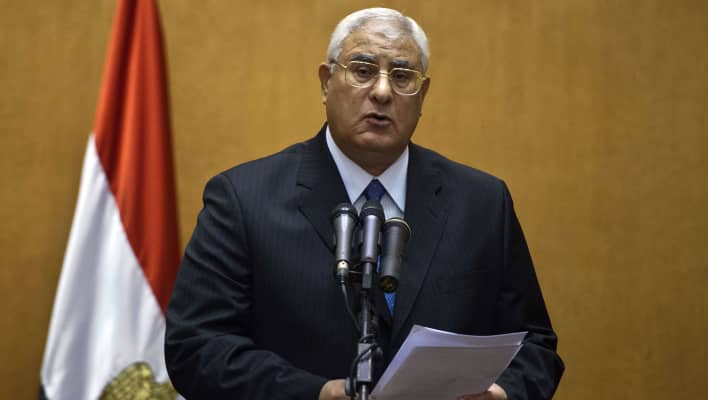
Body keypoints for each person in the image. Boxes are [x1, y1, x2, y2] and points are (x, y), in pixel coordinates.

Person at [165, 7, 564, 400]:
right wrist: (316, 394)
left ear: (422, 95)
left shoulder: (482, 204)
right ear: (326, 83)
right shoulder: (243, 199)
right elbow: (196, 347)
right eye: (362, 70)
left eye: (403, 76)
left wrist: (501, 393)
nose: (382, 92)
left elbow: (535, 347)